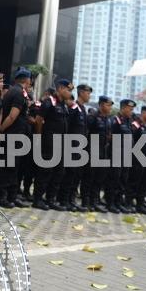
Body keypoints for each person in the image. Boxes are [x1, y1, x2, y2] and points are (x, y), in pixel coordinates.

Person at [32, 79, 75, 210]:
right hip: (49, 142)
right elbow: (39, 120)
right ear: (61, 88)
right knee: (45, 172)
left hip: (61, 144)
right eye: (68, 90)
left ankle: (50, 199)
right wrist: (39, 138)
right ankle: (38, 199)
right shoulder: (49, 102)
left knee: (58, 173)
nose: (70, 93)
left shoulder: (63, 105)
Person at [0, 68, 32, 208]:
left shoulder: (11, 91)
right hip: (13, 135)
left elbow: (3, 112)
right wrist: (1, 129)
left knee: (12, 167)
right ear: (27, 80)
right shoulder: (19, 93)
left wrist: (0, 128)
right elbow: (12, 116)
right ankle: (1, 197)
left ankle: (10, 196)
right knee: (8, 167)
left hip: (13, 135)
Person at [59, 83, 91, 211]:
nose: (89, 95)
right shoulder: (73, 107)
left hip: (80, 148)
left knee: (76, 175)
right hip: (72, 146)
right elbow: (67, 126)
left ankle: (71, 200)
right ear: (81, 92)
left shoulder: (82, 108)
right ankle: (63, 200)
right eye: (87, 93)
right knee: (69, 174)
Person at [106, 99, 136, 213]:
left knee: (123, 179)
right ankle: (111, 203)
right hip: (116, 153)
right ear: (123, 108)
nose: (131, 111)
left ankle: (118, 202)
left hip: (126, 154)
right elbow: (110, 136)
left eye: (132, 109)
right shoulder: (115, 120)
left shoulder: (129, 121)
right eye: (130, 109)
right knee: (114, 179)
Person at [85, 95, 113, 212]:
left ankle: (94, 201)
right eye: (108, 105)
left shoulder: (107, 119)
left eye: (111, 105)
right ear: (101, 105)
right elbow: (86, 133)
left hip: (103, 151)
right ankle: (86, 201)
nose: (110, 107)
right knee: (89, 177)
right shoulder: (92, 117)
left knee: (99, 178)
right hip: (92, 150)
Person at [129, 105, 146, 214]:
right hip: (137, 158)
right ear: (143, 113)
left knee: (145, 182)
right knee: (134, 181)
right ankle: (129, 202)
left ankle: (140, 204)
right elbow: (131, 141)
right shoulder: (136, 125)